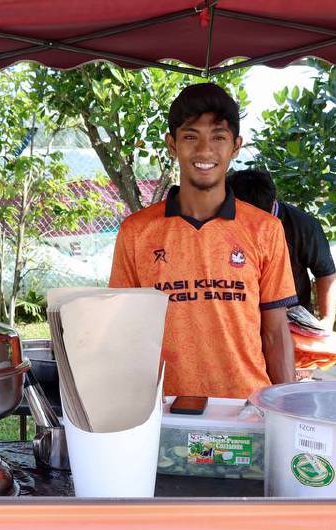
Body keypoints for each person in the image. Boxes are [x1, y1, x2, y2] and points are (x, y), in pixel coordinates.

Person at [109, 84, 296, 400]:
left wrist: (289, 411)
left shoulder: (266, 229)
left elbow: (276, 333)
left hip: (246, 409)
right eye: (191, 136)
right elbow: (124, 332)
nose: (205, 151)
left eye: (219, 137)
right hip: (164, 410)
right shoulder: (136, 232)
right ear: (172, 144)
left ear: (235, 146)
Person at [228, 168, 336, 327]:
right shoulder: (222, 220)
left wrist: (327, 322)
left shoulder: (304, 226)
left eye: (259, 221)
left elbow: (326, 275)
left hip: (291, 320)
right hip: (241, 319)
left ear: (273, 201)